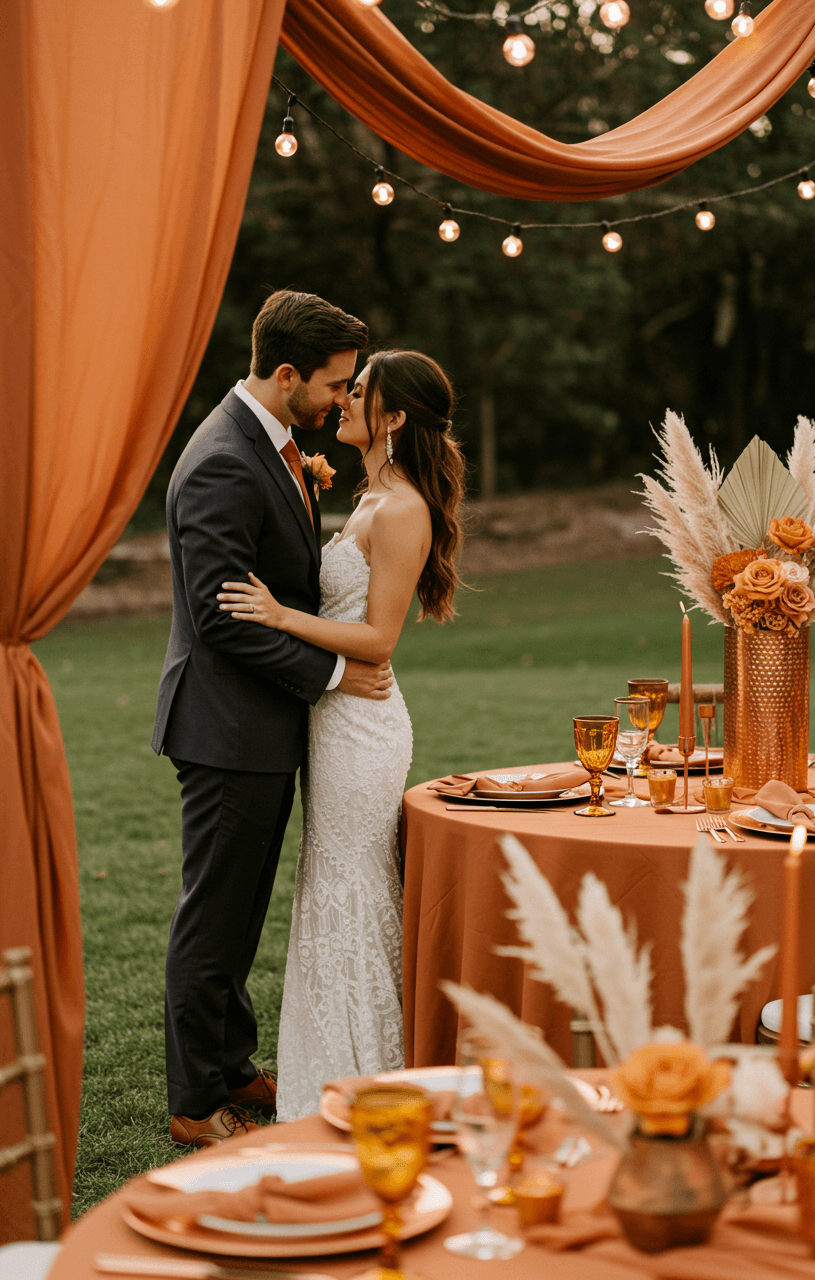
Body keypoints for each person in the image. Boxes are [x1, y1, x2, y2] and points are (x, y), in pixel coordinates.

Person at [152, 291, 394, 1148]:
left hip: (257, 725)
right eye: (333, 386)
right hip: (225, 728)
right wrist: (332, 670)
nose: (340, 401)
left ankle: (229, 1064)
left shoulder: (273, 444)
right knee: (214, 916)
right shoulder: (223, 458)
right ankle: (192, 1100)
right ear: (286, 375)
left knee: (244, 906)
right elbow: (221, 618)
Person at [216, 349, 466, 1119]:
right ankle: (334, 1071)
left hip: (362, 728)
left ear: (393, 417)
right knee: (330, 887)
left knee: (352, 890)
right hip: (332, 720)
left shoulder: (403, 510)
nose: (346, 400)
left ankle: (370, 1074)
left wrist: (282, 616)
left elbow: (380, 640)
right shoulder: (368, 497)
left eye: (362, 392)